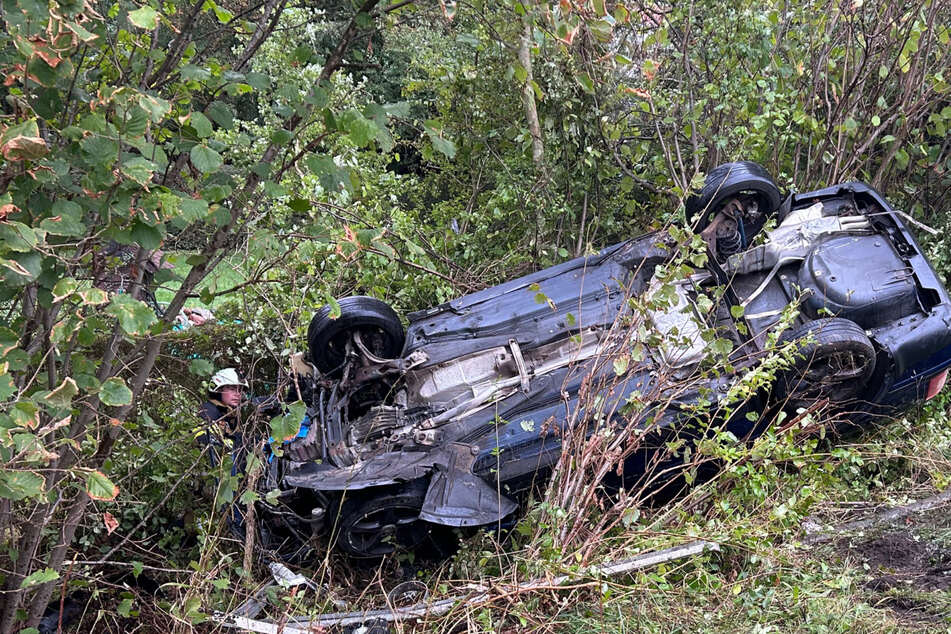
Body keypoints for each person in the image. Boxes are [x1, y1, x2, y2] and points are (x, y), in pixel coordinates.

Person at [195, 368, 251, 535]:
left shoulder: (228, 413)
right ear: (218, 389)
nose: (238, 394)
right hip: (209, 479)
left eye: (240, 390)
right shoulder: (208, 412)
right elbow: (211, 448)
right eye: (232, 389)